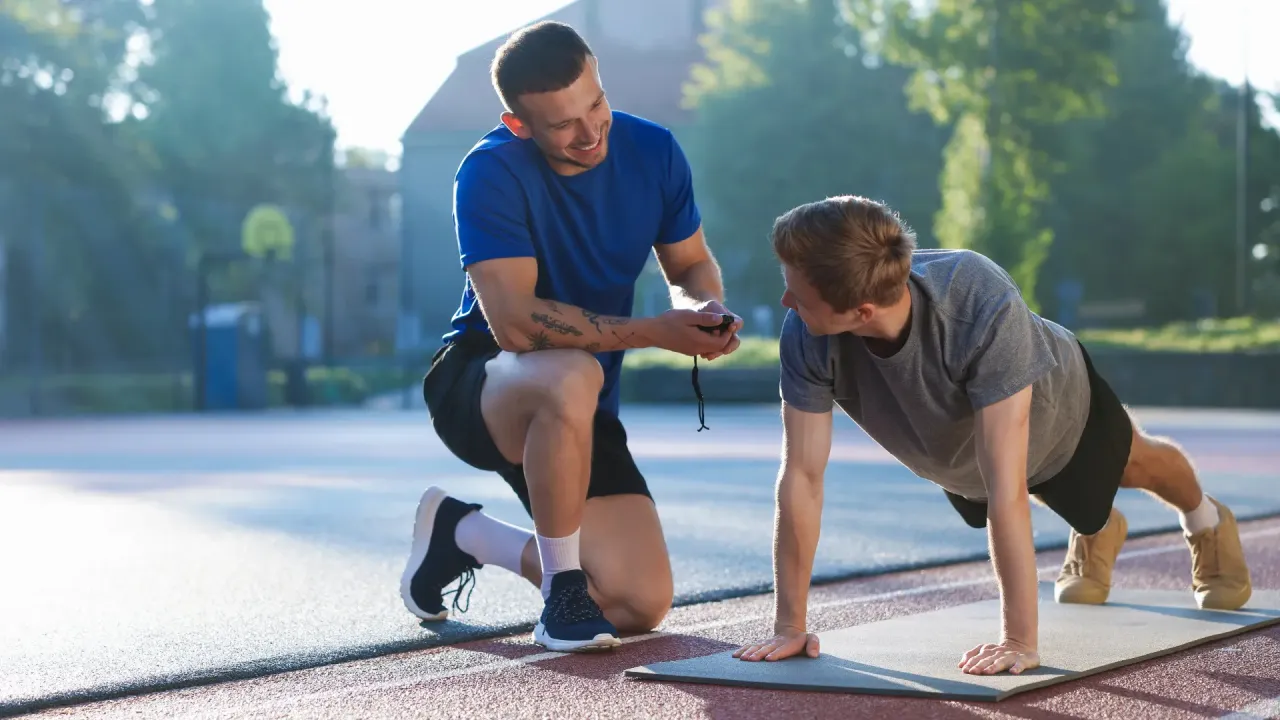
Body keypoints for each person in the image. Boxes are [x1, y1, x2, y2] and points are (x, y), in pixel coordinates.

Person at [733, 195, 1253, 675]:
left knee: (1137, 465)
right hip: (952, 446)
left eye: (796, 292)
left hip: (1058, 408)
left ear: (861, 312)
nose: (784, 300)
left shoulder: (977, 301)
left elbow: (1008, 486)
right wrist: (789, 627)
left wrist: (1019, 640)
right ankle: (1097, 527)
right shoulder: (808, 330)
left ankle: (1205, 521)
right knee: (1034, 488)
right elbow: (801, 475)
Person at [400, 21, 743, 653]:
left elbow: (690, 262)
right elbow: (517, 324)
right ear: (519, 125)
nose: (590, 133)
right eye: (562, 125)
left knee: (637, 602)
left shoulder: (655, 151)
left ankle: (460, 533)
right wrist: (654, 332)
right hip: (486, 382)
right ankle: (561, 598)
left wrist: (701, 307)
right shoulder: (488, 172)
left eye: (596, 104)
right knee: (571, 371)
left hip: (580, 402)